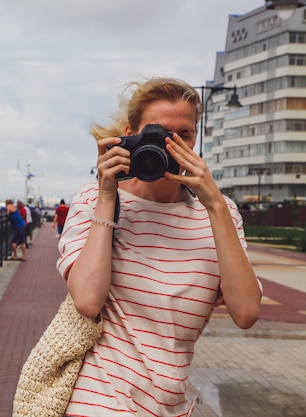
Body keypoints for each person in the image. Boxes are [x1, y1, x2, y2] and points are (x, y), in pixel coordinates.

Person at [57, 77, 261, 416]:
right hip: (96, 404)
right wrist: (108, 194)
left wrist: (214, 205)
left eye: (184, 135)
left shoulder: (219, 213)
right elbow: (88, 302)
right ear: (130, 134)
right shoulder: (93, 199)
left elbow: (245, 313)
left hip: (171, 406)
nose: (172, 145)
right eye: (161, 133)